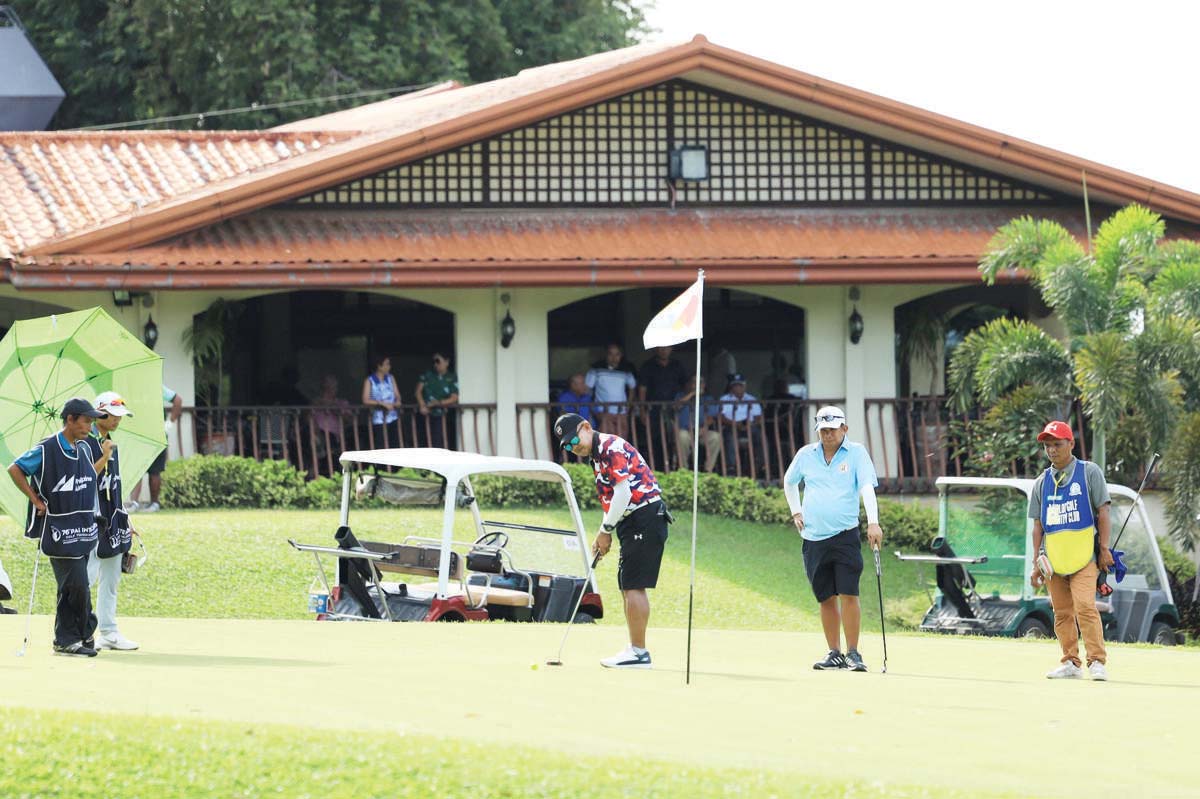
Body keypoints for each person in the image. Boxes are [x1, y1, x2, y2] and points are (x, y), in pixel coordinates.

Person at [553, 412, 670, 669]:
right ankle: (635, 649)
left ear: (586, 427)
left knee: (633, 585)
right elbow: (613, 500)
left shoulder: (609, 447)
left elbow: (623, 492)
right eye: (569, 447)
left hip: (645, 516)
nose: (575, 448)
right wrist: (604, 530)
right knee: (627, 583)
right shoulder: (597, 455)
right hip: (634, 521)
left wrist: (605, 530)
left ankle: (639, 653)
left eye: (575, 441)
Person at [783, 405, 884, 672]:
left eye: (832, 429)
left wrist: (873, 522)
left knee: (849, 592)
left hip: (844, 535)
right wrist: (796, 511)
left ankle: (853, 653)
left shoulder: (857, 453)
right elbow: (789, 481)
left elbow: (866, 487)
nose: (827, 435)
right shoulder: (806, 454)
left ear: (844, 429)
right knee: (825, 597)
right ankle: (834, 653)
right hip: (813, 538)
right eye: (823, 430)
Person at [7, 398, 104, 657]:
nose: (90, 425)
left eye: (92, 421)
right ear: (70, 419)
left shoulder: (83, 448)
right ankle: (85, 630)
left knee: (71, 587)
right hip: (60, 530)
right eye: (86, 420)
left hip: (83, 528)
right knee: (79, 586)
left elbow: (87, 480)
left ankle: (67, 639)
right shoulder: (47, 448)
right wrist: (35, 499)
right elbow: (15, 469)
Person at [1029, 420, 1112, 681]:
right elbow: (1038, 526)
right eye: (1047, 445)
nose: (1052, 450)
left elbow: (1103, 512)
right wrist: (1035, 564)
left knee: (1086, 606)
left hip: (1085, 557)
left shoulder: (1089, 473)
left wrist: (1104, 549)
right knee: (1062, 613)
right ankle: (1070, 663)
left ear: (1071, 444)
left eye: (1057, 444)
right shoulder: (1041, 482)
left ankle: (1097, 661)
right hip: (1054, 561)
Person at [83, 391, 139, 651]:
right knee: (88, 575)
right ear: (99, 413)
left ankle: (108, 631)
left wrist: (125, 517)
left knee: (112, 577)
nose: (118, 420)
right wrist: (103, 456)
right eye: (113, 415)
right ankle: (80, 629)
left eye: (121, 416)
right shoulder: (85, 443)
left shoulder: (110, 442)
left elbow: (114, 486)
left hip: (114, 519)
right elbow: (83, 478)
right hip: (92, 520)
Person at [128, 385, 182, 513]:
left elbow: (178, 400)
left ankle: (154, 504)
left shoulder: (157, 386)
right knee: (136, 470)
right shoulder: (132, 388)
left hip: (157, 435)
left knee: (155, 471)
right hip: (138, 434)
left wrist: (169, 424)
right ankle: (134, 503)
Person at [637, 346, 688, 470]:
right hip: (654, 410)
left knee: (674, 438)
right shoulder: (648, 366)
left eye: (666, 348)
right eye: (661, 348)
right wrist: (642, 410)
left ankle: (674, 467)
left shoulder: (677, 366)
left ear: (671, 349)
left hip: (674, 409)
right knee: (656, 439)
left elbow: (685, 386)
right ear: (656, 349)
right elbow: (642, 389)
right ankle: (659, 469)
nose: (663, 350)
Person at [586, 343, 637, 440]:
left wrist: (628, 405)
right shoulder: (596, 369)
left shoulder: (626, 370)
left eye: (617, 354)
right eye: (610, 354)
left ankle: (619, 455)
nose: (614, 357)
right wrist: (592, 408)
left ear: (621, 356)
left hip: (621, 411)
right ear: (606, 355)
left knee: (622, 437)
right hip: (603, 410)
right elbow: (587, 389)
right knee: (607, 437)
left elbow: (632, 387)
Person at [718, 373, 763, 475]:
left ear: (744, 386)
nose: (738, 388)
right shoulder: (724, 399)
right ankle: (731, 467)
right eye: (735, 385)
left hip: (749, 427)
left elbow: (758, 417)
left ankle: (760, 466)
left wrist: (750, 424)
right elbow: (721, 417)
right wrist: (735, 424)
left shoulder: (751, 399)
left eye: (740, 385)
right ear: (731, 386)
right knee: (730, 437)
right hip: (731, 426)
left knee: (760, 436)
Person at [675, 376, 721, 473]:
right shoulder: (681, 395)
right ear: (689, 384)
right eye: (695, 382)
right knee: (682, 436)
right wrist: (692, 394)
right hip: (685, 430)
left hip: (701, 431)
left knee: (716, 437)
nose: (698, 385)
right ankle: (684, 469)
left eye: (701, 382)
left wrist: (704, 428)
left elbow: (711, 417)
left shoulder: (708, 398)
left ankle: (708, 470)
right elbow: (677, 406)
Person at [417, 351, 459, 449]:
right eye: (434, 362)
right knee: (424, 441)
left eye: (438, 361)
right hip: (425, 414)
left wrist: (438, 403)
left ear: (447, 362)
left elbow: (454, 397)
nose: (435, 364)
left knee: (440, 442)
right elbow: (418, 391)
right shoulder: (428, 375)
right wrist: (422, 405)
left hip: (443, 415)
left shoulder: (451, 377)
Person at [311, 375, 351, 473]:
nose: (330, 390)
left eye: (333, 387)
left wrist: (334, 408)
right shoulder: (316, 402)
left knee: (327, 439)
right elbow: (308, 418)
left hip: (333, 436)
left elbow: (348, 420)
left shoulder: (341, 403)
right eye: (327, 387)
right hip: (316, 433)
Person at [362, 354, 401, 448]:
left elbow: (397, 395)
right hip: (378, 419)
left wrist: (398, 401)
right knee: (381, 446)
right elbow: (365, 399)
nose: (389, 367)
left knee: (394, 446)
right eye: (386, 364)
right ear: (379, 366)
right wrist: (382, 403)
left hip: (393, 417)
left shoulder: (391, 378)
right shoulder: (370, 380)